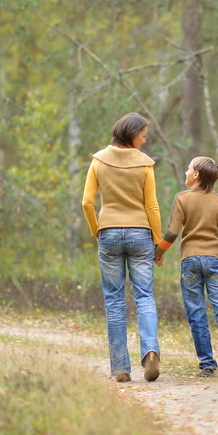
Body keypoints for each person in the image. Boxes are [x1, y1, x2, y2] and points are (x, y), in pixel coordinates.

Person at [82, 113, 162, 383]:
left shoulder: (98, 161)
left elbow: (86, 203)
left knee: (114, 300)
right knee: (144, 296)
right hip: (141, 234)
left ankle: (120, 368)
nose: (145, 138)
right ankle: (151, 351)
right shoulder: (144, 165)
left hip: (109, 233)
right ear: (131, 134)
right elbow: (151, 206)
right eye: (143, 134)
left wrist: (97, 229)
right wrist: (157, 239)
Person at [155, 156, 218, 378]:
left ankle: (207, 364)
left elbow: (172, 233)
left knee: (197, 313)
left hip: (189, 261)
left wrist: (158, 253)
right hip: (213, 261)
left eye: (189, 169)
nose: (186, 172)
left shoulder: (182, 199)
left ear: (196, 174)